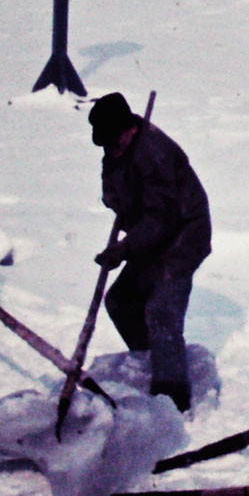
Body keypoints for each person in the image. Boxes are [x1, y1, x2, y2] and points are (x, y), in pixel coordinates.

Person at [90, 92, 210, 412]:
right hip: (152, 233)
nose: (109, 150)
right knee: (121, 301)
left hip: (184, 234)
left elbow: (162, 216)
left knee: (162, 311)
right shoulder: (116, 146)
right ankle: (152, 361)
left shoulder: (155, 154)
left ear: (129, 129)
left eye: (113, 142)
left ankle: (173, 398)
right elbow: (115, 190)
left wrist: (125, 248)